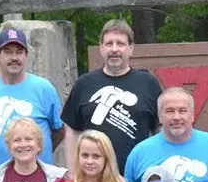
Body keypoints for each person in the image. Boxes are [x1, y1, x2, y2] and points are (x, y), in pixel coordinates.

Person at [61, 19, 163, 171]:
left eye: (120, 44)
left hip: (135, 175)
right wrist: (73, 174)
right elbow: (72, 131)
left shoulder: (148, 83)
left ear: (131, 48)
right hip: (93, 177)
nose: (114, 49)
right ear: (101, 48)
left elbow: (160, 129)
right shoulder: (84, 84)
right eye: (109, 44)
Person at [0, 26, 65, 165]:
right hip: (0, 177)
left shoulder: (44, 88)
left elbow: (59, 131)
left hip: (40, 177)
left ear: (26, 55)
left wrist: (39, 152)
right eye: (7, 52)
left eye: (19, 52)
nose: (14, 58)